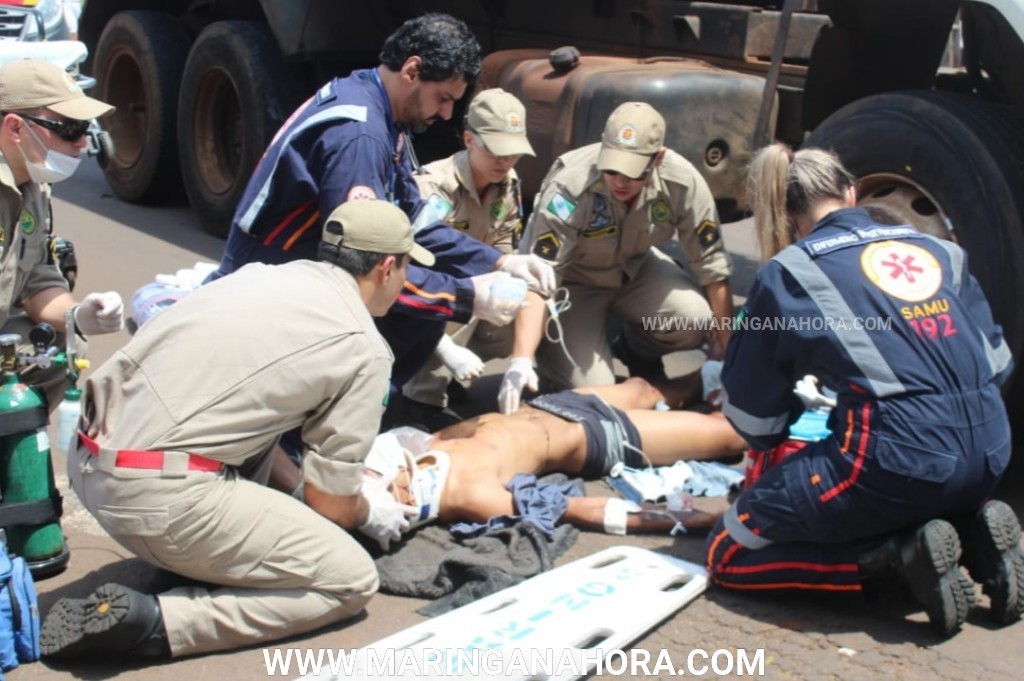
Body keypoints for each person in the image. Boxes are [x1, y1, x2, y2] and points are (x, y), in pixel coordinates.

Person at [39, 200, 433, 660]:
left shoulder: (262, 275)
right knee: (349, 580)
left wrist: (304, 492)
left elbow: (256, 418)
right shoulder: (362, 346)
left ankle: (206, 557)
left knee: (251, 425)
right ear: (387, 267)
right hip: (149, 498)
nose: (406, 280)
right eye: (407, 268)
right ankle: (153, 622)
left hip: (88, 458)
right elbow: (333, 502)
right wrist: (369, 510)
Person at [706, 143, 1023, 637]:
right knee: (901, 479)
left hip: (899, 460)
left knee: (729, 548)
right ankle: (969, 528)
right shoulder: (942, 251)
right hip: (991, 451)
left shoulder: (789, 273)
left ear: (786, 214)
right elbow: (996, 367)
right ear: (851, 193)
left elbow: (755, 421)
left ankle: (889, 562)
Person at [206, 13, 553, 410]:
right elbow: (363, 267)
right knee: (407, 318)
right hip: (269, 284)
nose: (444, 115)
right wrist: (464, 296)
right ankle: (322, 428)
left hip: (298, 268)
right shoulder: (361, 138)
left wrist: (500, 260)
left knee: (422, 317)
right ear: (412, 70)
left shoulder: (378, 109)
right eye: (443, 98)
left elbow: (413, 222)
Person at [506, 101, 733, 412]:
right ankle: (554, 352)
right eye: (611, 168)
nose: (620, 181)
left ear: (658, 158)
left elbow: (714, 270)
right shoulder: (570, 188)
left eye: (633, 172)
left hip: (635, 270)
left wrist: (726, 357)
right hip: (573, 285)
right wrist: (521, 359)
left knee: (694, 320)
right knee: (598, 395)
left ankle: (637, 348)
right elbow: (540, 277)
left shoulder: (682, 182)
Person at [364, 377, 746, 538]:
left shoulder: (416, 452)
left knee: (644, 388)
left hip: (551, 406)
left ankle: (716, 374)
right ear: (402, 501)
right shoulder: (469, 495)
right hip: (594, 438)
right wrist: (706, 521)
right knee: (731, 437)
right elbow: (582, 510)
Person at [400, 88, 536, 428]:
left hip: (477, 290)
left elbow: (504, 239)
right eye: (496, 151)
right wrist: (445, 347)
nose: (505, 162)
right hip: (431, 295)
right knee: (447, 306)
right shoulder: (435, 186)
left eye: (513, 153)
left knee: (519, 311)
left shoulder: (507, 182)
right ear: (469, 140)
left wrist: (515, 282)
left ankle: (448, 377)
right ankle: (420, 400)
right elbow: (411, 272)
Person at [0, 59, 123, 406]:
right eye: (68, 129)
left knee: (62, 345)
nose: (82, 142)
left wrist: (79, 314)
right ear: (15, 128)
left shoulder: (32, 189)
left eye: (85, 127)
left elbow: (36, 277)